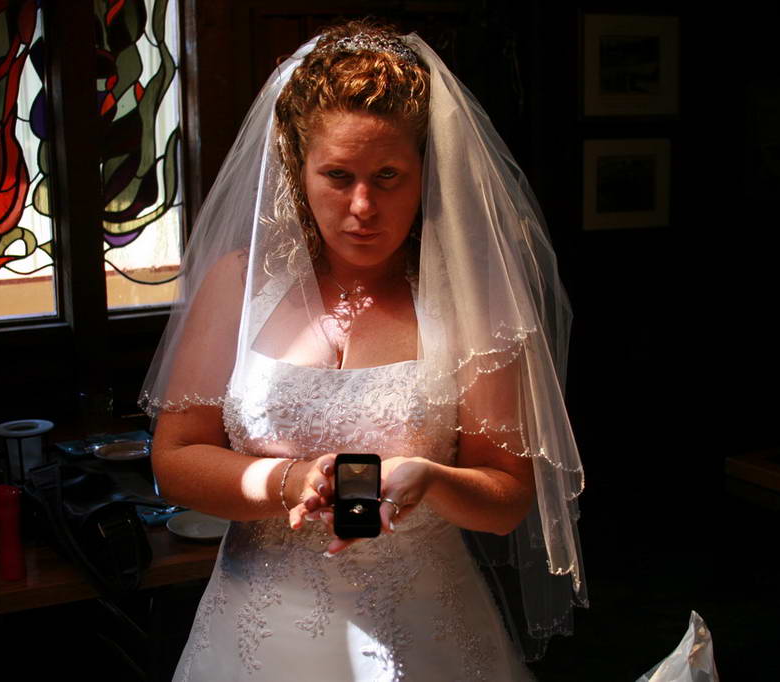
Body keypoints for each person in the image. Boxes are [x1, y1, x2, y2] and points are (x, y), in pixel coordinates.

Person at [142, 20, 585, 682]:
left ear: (425, 172)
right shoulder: (240, 284)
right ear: (298, 168)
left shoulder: (473, 303)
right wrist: (290, 481)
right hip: (255, 625)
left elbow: (507, 497)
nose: (362, 206)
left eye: (388, 176)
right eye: (337, 175)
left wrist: (431, 479)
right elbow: (175, 459)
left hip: (424, 627)